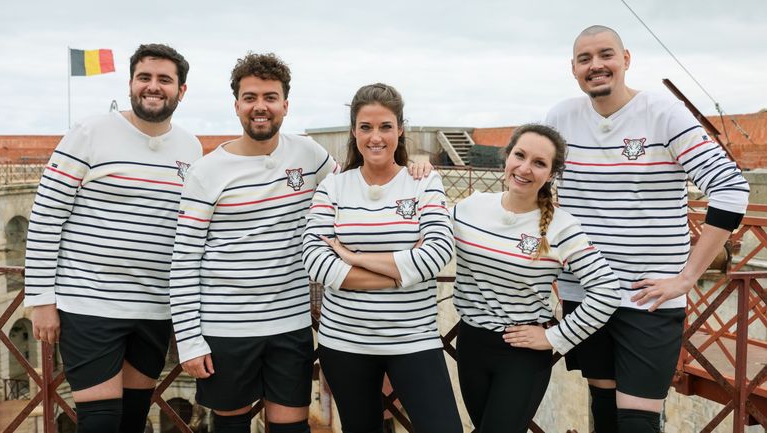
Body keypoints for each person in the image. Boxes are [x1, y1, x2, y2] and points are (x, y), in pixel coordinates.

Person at [169, 58, 432, 433]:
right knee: (231, 425)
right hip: (226, 327)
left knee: (291, 426)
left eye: (271, 97)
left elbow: (357, 183)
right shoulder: (206, 171)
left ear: (285, 105)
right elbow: (184, 260)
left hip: (290, 324)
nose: (261, 106)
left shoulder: (308, 155)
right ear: (237, 105)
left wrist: (413, 171)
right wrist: (190, 340)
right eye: (250, 97)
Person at [545, 25, 750, 433]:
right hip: (586, 294)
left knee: (638, 423)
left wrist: (687, 277)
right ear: (573, 69)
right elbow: (541, 195)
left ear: (626, 59)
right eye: (585, 59)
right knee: (605, 411)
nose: (596, 65)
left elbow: (730, 188)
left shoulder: (663, 112)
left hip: (649, 297)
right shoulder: (561, 117)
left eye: (606, 54)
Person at [24, 44, 202, 433]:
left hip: (154, 309)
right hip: (90, 303)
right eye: (144, 78)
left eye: (164, 80)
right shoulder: (90, 132)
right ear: (131, 84)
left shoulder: (190, 148)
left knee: (133, 419)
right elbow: (46, 215)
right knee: (100, 420)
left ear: (181, 91)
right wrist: (41, 299)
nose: (153, 87)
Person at [302, 83, 462, 433]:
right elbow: (315, 259)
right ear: (354, 132)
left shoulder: (423, 182)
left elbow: (437, 252)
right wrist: (401, 272)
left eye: (385, 127)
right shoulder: (333, 187)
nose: (376, 137)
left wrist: (351, 257)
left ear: (400, 130)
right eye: (366, 127)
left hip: (414, 339)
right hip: (345, 342)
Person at [452, 123, 621, 433]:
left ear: (551, 174)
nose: (525, 168)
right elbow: (420, 234)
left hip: (523, 354)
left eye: (539, 163)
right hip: (471, 344)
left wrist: (554, 337)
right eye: (520, 155)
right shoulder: (468, 208)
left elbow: (607, 291)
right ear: (506, 157)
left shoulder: (562, 227)